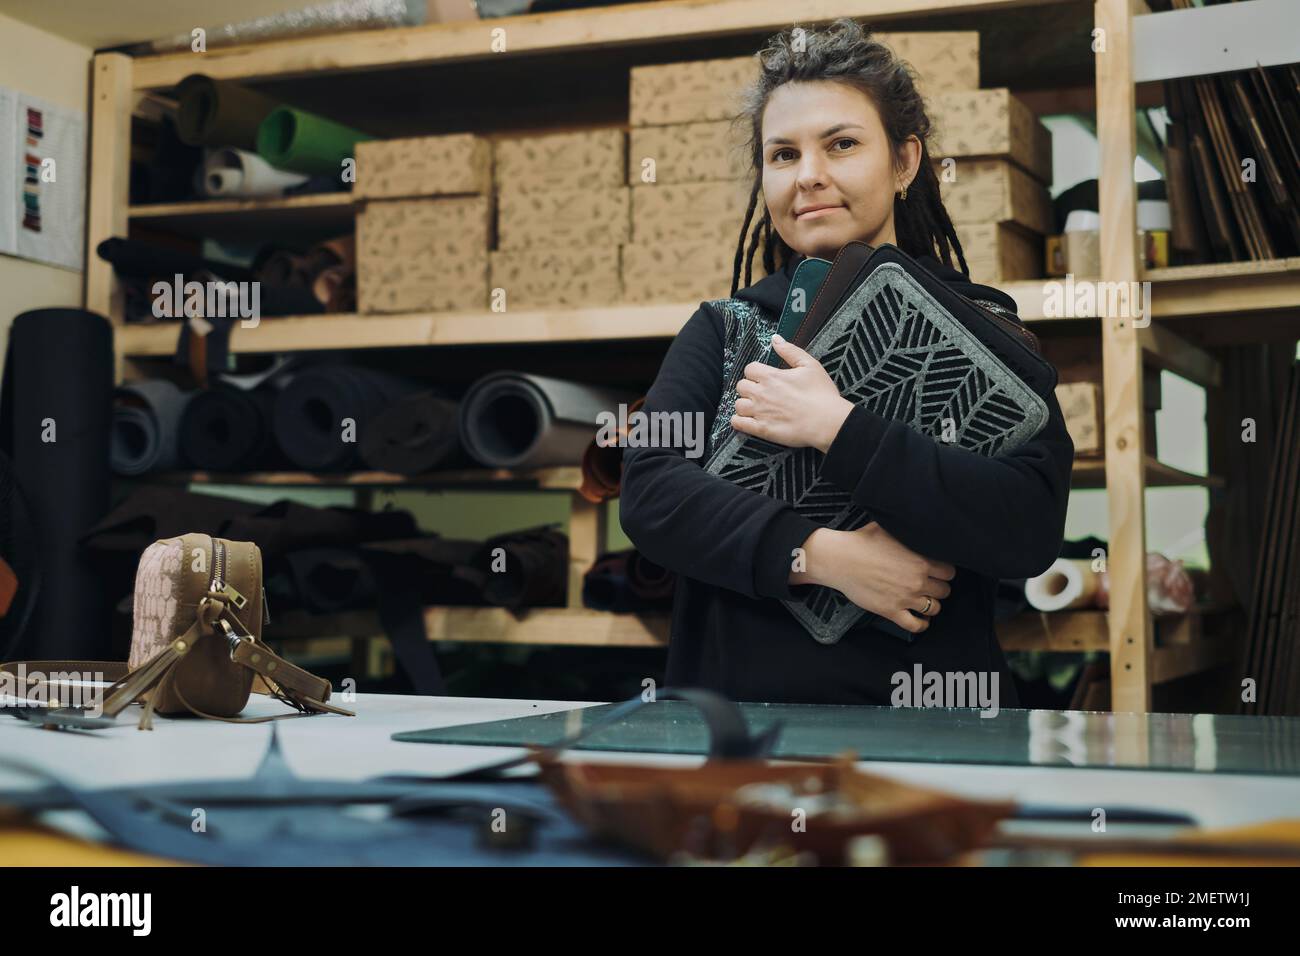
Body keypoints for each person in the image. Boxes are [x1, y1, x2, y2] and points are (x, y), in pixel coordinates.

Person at [619, 19, 1074, 706]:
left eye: (841, 144)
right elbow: (651, 494)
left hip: (938, 741)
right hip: (744, 740)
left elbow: (1028, 528)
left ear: (904, 162)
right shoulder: (725, 330)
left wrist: (838, 427)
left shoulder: (985, 333)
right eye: (782, 155)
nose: (809, 177)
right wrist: (820, 558)